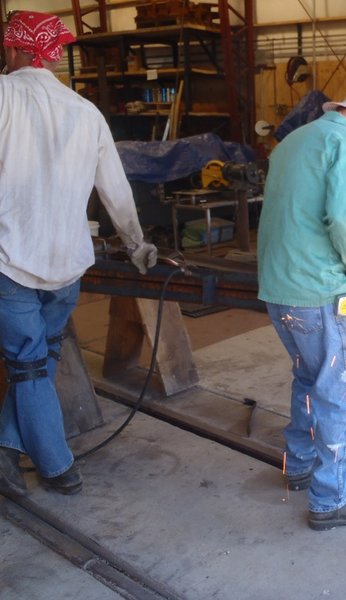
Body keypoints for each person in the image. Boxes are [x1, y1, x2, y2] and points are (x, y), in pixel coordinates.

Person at [0, 11, 158, 497]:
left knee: (28, 366)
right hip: (68, 263)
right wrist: (137, 246)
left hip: (11, 260)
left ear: (16, 50)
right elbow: (116, 191)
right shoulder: (86, 112)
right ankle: (7, 447)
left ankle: (56, 465)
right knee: (39, 360)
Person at [257, 87, 346, 530]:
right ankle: (331, 499)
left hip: (278, 289)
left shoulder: (295, 140)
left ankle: (298, 464)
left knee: (309, 377)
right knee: (344, 393)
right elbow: (344, 218)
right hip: (318, 292)